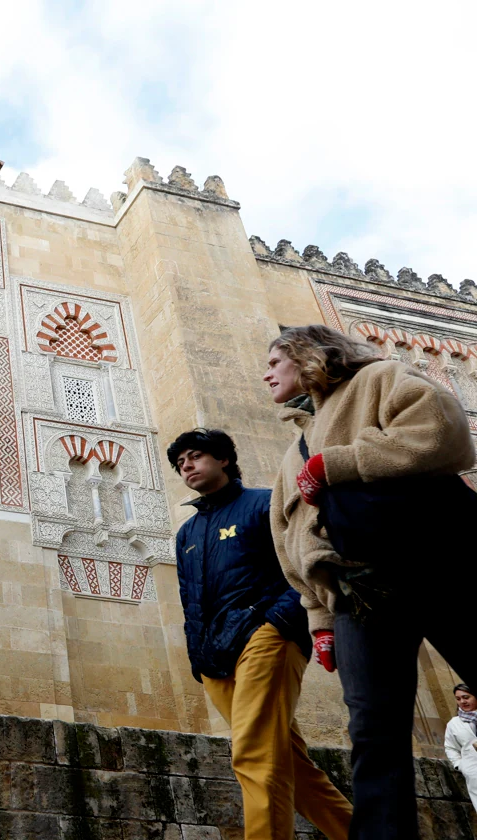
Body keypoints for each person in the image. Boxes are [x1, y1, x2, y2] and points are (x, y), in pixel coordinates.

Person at [266, 324, 477, 839]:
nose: (267, 373)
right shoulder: (291, 452)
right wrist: (319, 618)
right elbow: (292, 542)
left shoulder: (380, 378)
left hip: (435, 565)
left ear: (307, 356)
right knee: (373, 733)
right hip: (358, 599)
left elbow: (442, 433)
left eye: (275, 361)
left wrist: (337, 463)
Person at [168, 428, 352, 840]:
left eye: (196, 457)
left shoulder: (262, 504)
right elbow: (190, 602)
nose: (188, 467)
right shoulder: (187, 534)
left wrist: (278, 622)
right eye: (181, 464)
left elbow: (304, 563)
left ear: (224, 460)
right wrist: (199, 659)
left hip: (266, 639)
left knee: (253, 754)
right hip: (215, 661)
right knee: (289, 765)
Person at [445, 683, 477, 813]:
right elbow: (450, 748)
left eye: (466, 697)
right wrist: (460, 765)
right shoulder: (454, 724)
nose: (462, 701)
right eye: (458, 699)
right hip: (474, 771)